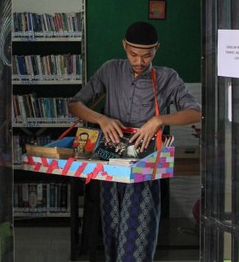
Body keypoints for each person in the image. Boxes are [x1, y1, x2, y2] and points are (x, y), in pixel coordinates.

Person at [68, 21, 201, 262]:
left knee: (138, 236)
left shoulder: (167, 77)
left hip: (144, 168)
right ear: (124, 46)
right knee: (112, 231)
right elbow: (75, 104)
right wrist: (102, 120)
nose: (139, 61)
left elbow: (196, 112)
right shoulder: (110, 70)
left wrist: (159, 120)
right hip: (109, 164)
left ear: (157, 49)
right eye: (133, 54)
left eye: (146, 55)